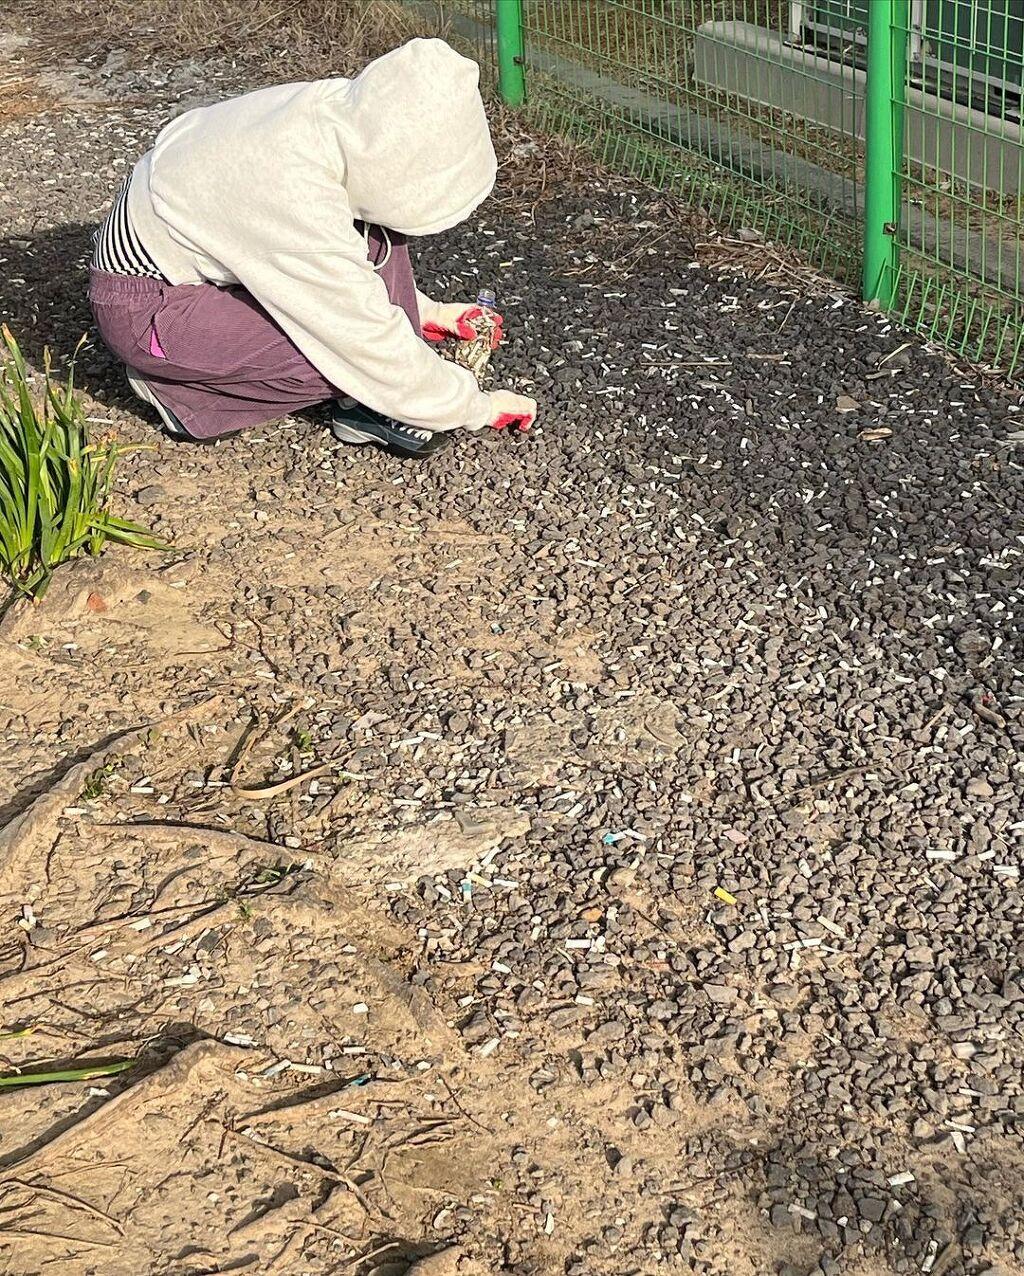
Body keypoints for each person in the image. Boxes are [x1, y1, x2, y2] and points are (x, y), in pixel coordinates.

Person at [88, 38, 537, 459]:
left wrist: (427, 314)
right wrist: (474, 406)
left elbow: (337, 263)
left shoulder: (332, 116)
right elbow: (352, 333)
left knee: (373, 234)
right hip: (149, 307)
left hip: (201, 260)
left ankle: (377, 394)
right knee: (332, 357)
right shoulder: (291, 188)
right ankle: (184, 392)